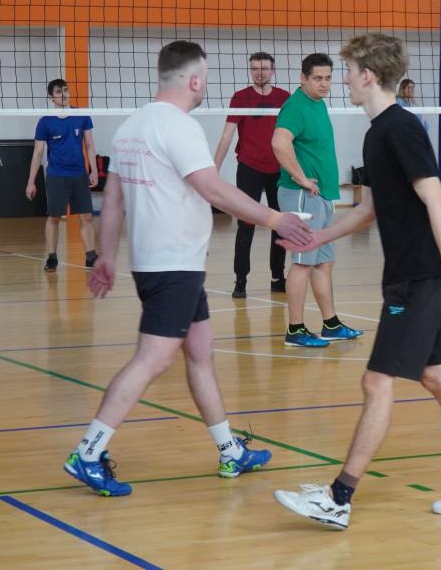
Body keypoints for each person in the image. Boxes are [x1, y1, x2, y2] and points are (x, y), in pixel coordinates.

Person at [274, 33, 441, 530]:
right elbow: (369, 209)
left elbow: (437, 200)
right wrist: (317, 237)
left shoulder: (400, 128)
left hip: (419, 277)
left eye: (348, 71)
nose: (343, 80)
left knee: (376, 381)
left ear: (368, 75)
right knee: (436, 376)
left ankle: (338, 498)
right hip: (406, 275)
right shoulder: (376, 132)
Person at [66, 41, 314, 496]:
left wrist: (107, 255)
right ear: (195, 80)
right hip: (173, 264)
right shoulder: (179, 128)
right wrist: (276, 219)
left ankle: (229, 450)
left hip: (162, 263)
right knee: (153, 358)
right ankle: (88, 451)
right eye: (206, 78)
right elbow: (213, 190)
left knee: (200, 352)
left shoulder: (131, 126)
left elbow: (113, 200)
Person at [271, 53, 364, 348]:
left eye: (328, 78)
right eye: (317, 78)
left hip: (321, 195)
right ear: (303, 78)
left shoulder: (317, 103)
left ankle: (331, 324)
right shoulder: (295, 107)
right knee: (302, 264)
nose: (324, 84)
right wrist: (299, 177)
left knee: (324, 263)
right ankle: (295, 330)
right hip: (302, 196)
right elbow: (279, 143)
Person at [212, 52, 291, 299]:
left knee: (280, 224)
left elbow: (294, 137)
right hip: (249, 168)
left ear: (273, 71)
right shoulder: (241, 97)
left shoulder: (285, 98)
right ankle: (240, 280)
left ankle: (277, 277)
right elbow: (227, 135)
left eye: (264, 68)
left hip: (279, 169)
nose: (259, 73)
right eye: (255, 68)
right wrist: (213, 170)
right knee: (245, 225)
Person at [26, 79, 98, 272]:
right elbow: (38, 153)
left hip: (79, 174)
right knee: (54, 217)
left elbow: (90, 145)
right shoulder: (45, 121)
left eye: (65, 90)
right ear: (51, 97)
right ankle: (52, 257)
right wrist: (31, 182)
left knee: (86, 217)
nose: (64, 94)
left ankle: (91, 256)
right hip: (57, 175)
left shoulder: (82, 115)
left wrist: (93, 170)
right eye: (59, 91)